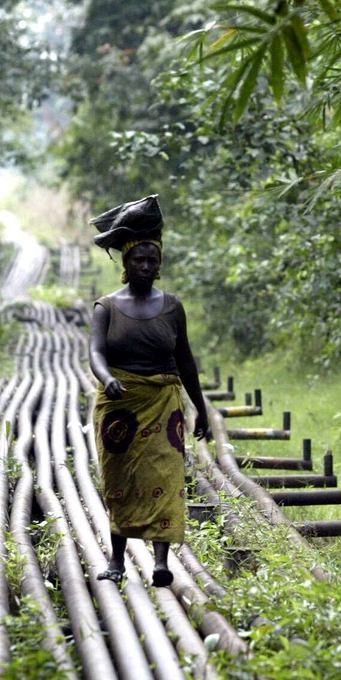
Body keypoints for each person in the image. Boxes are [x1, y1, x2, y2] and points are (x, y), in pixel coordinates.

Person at [87, 195, 211, 587]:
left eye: (151, 260)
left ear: (159, 265)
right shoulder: (106, 307)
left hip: (163, 404)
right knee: (119, 479)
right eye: (138, 259)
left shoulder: (172, 307)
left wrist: (201, 408)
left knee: (165, 475)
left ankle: (161, 562)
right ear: (125, 264)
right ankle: (118, 560)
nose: (145, 266)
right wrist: (107, 379)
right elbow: (95, 353)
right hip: (119, 405)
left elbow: (186, 361)